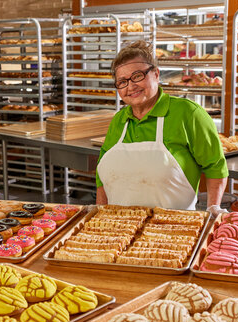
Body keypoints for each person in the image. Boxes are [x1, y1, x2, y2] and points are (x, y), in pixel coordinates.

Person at [96, 40, 228, 215]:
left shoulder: (188, 113)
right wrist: (101, 212)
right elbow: (102, 175)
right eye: (122, 82)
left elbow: (215, 165)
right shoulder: (119, 120)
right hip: (120, 228)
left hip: (174, 227)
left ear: (156, 74)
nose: (131, 86)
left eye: (137, 76)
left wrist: (213, 207)